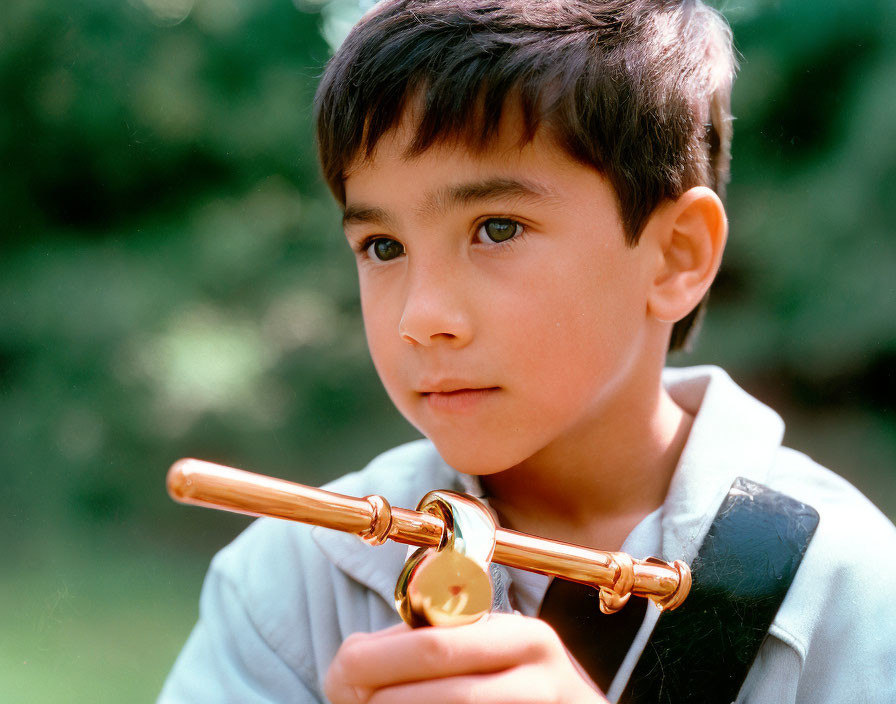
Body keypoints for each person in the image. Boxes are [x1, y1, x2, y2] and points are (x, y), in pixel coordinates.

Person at [159, 1, 896, 702]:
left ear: (676, 255)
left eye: (497, 228)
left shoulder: (850, 589)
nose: (422, 318)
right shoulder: (290, 581)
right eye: (383, 246)